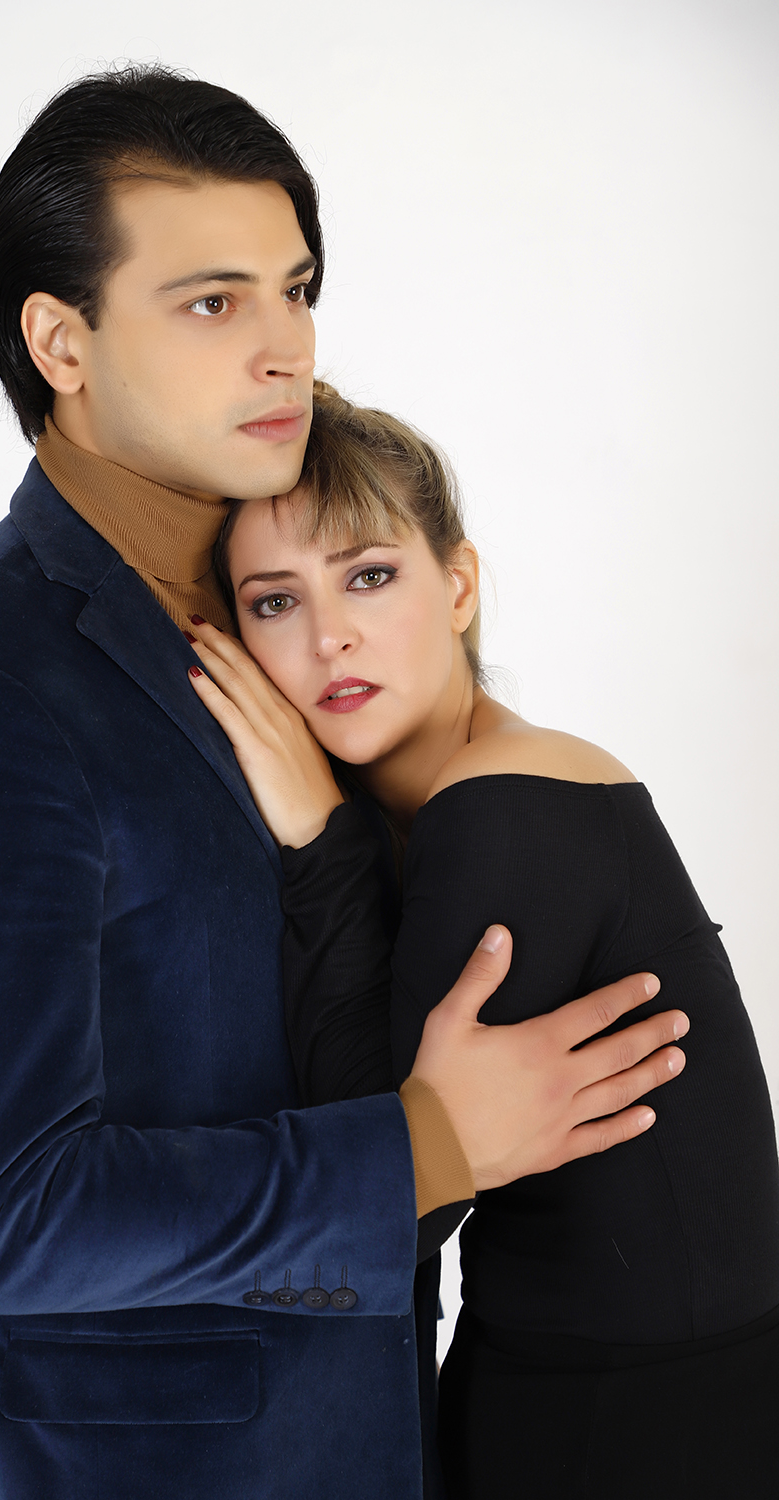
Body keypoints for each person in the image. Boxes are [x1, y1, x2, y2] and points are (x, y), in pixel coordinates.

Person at [0, 70, 688, 1500]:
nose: (285, 346)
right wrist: (424, 1149)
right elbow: (1, 1222)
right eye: (212, 302)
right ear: (61, 341)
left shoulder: (301, 610)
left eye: (295, 291)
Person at [186, 383, 779, 1499]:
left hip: (647, 1426)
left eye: (369, 576)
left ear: (457, 586)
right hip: (547, 1386)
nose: (327, 635)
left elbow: (390, 1189)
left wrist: (319, 840)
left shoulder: (507, 801)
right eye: (274, 602)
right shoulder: (437, 809)